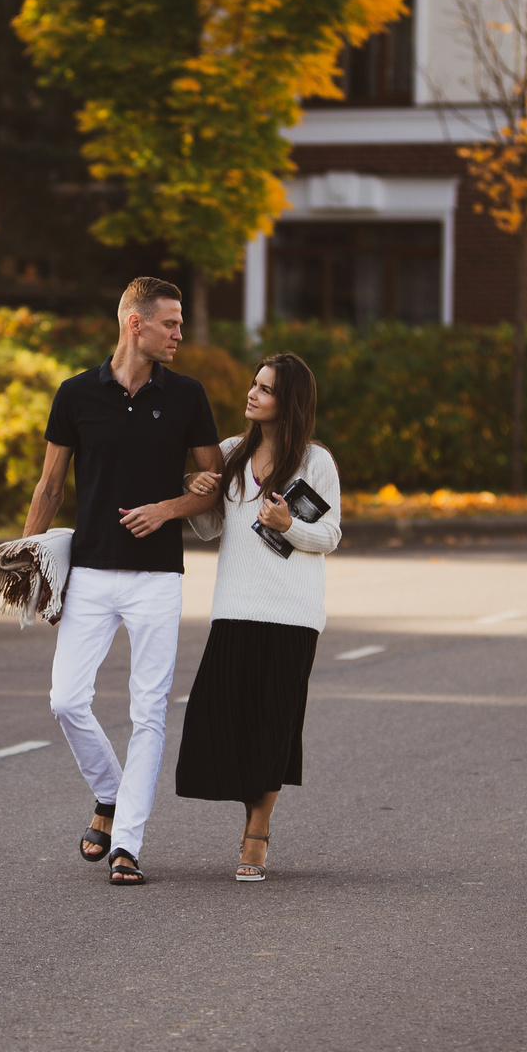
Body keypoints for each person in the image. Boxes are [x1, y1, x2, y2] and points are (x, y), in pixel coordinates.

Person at [22, 277, 224, 887]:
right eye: (170, 323)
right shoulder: (76, 394)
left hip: (157, 578)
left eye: (181, 323)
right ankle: (109, 796)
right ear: (135, 324)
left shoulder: (187, 396)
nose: (179, 334)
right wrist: (30, 565)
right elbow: (51, 486)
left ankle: (127, 845)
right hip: (89, 574)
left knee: (149, 712)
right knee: (66, 700)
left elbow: (212, 482)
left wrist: (166, 509)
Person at [172, 353, 340, 882]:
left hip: (292, 616)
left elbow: (330, 536)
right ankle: (251, 818)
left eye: (265, 389)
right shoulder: (230, 454)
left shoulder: (316, 462)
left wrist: (289, 523)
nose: (252, 394)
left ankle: (257, 833)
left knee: (273, 727)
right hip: (235, 609)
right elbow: (211, 529)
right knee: (226, 722)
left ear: (287, 402)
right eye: (254, 383)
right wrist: (199, 494)